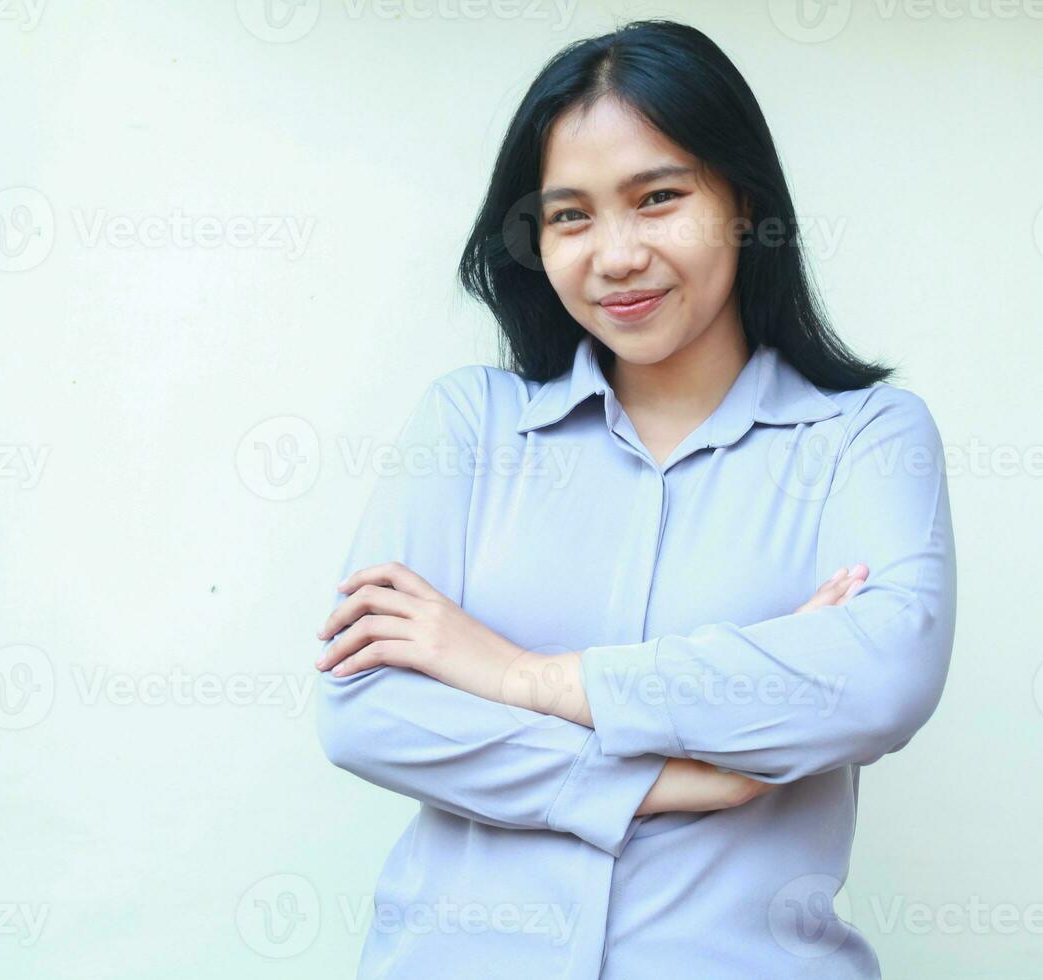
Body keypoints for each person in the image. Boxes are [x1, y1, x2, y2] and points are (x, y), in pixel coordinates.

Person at [314, 18, 957, 979]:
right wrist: (659, 780)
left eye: (658, 198)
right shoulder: (471, 424)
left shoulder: (865, 438)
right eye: (571, 216)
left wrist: (514, 676)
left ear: (743, 200)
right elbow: (365, 706)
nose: (614, 255)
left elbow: (877, 680)